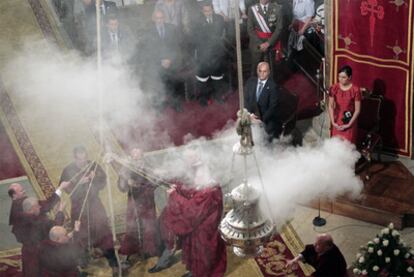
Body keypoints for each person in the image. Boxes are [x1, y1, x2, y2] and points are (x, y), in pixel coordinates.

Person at [155, 150, 227, 277]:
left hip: (204, 228)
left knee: (203, 253)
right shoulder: (203, 181)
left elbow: (192, 209)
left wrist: (174, 195)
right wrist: (178, 188)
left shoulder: (209, 190)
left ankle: (202, 274)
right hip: (199, 225)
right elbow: (190, 189)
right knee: (195, 251)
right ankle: (195, 272)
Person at [59, 146, 118, 273]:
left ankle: (112, 258)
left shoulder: (93, 165)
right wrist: (79, 183)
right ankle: (82, 258)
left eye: (85, 158)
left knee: (102, 228)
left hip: (94, 202)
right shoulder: (68, 170)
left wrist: (94, 178)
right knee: (80, 231)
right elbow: (66, 187)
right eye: (80, 160)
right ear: (75, 158)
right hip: (78, 205)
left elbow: (103, 182)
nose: (83, 162)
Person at [116, 148, 160, 263]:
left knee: (149, 224)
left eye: (138, 151)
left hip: (147, 199)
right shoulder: (127, 167)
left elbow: (156, 181)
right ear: (130, 154)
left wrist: (143, 185)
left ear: (142, 153)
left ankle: (149, 250)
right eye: (133, 151)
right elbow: (121, 186)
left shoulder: (149, 165)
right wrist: (126, 181)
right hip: (133, 199)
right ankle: (131, 250)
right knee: (132, 225)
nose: (136, 154)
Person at [19, 197, 66, 277]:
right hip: (39, 252)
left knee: (29, 270)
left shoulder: (22, 218)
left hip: (27, 250)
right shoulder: (39, 223)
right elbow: (55, 228)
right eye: (38, 205)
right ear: (32, 208)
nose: (40, 207)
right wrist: (60, 211)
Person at [193, 2, 227, 106]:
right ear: (202, 11)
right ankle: (203, 98)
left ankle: (218, 96)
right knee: (203, 78)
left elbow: (220, 34)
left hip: (216, 53)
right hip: (203, 54)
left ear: (212, 10)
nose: (207, 13)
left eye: (209, 10)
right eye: (205, 11)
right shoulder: (197, 21)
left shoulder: (219, 19)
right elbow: (197, 39)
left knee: (217, 77)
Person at [244, 62, 282, 141]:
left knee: (267, 135)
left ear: (268, 72)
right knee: (243, 128)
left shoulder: (273, 87)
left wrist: (261, 120)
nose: (262, 74)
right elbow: (246, 100)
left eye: (264, 71)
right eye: (260, 71)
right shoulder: (250, 81)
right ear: (257, 71)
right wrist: (249, 114)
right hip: (252, 114)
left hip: (267, 117)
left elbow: (273, 107)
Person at [247, 0, 283, 76]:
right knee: (255, 70)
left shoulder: (277, 9)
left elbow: (279, 28)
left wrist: (268, 43)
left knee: (270, 70)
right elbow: (250, 29)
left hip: (271, 44)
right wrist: (261, 44)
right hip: (256, 44)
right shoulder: (252, 9)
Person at [328, 65, 361, 144]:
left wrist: (349, 124)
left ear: (349, 77)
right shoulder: (334, 88)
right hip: (337, 120)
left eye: (343, 77)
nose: (340, 79)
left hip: (350, 121)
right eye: (339, 76)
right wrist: (333, 122)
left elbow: (357, 110)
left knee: (347, 147)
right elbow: (330, 106)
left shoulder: (355, 90)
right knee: (335, 145)